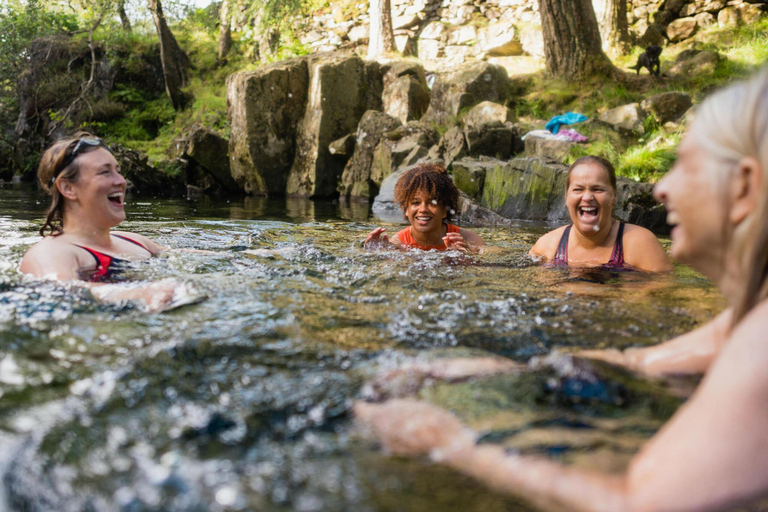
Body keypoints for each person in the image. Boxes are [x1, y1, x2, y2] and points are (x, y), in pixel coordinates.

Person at [355, 68, 768, 511]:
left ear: (743, 186)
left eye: (687, 166)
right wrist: (492, 369)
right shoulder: (749, 322)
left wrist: (447, 441)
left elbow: (633, 505)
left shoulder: (758, 347)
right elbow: (639, 360)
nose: (662, 188)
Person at [20, 133, 191, 312]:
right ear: (68, 188)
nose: (121, 181)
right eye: (105, 172)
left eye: (118, 171)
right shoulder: (51, 252)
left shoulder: (136, 241)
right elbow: (61, 290)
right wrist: (141, 293)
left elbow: (208, 259)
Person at [529, 155, 672, 272]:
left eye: (597, 189)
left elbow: (664, 293)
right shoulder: (547, 247)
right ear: (566, 197)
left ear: (614, 197)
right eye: (578, 189)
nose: (587, 197)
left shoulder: (639, 243)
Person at [364, 163, 484, 253]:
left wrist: (469, 252)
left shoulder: (466, 238)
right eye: (415, 203)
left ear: (445, 210)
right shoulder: (398, 242)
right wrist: (376, 251)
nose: (423, 209)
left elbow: (495, 254)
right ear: (406, 209)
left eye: (432, 203)